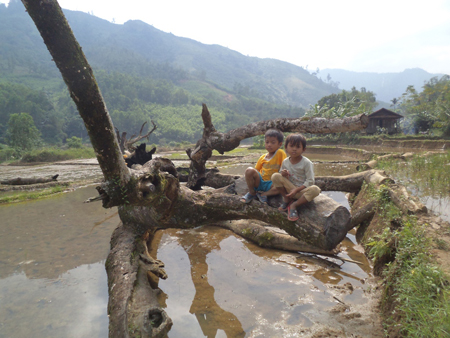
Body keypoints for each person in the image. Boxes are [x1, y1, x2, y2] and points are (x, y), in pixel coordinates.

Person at [271, 133, 321, 221]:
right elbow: (280, 175)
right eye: (291, 146)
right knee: (275, 176)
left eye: (298, 147)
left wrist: (297, 190)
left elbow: (310, 181)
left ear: (303, 149)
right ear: (286, 148)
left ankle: (294, 205)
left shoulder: (307, 163)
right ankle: (286, 198)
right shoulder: (285, 162)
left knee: (315, 189)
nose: (294, 149)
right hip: (289, 189)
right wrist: (283, 174)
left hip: (301, 191)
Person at [241, 129, 287, 204]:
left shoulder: (280, 153)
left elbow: (284, 166)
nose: (269, 144)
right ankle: (252, 192)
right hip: (261, 182)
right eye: (267, 142)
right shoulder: (262, 157)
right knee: (249, 170)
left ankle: (263, 194)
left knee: (280, 188)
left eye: (273, 142)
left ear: (280, 144)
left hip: (272, 184)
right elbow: (256, 170)